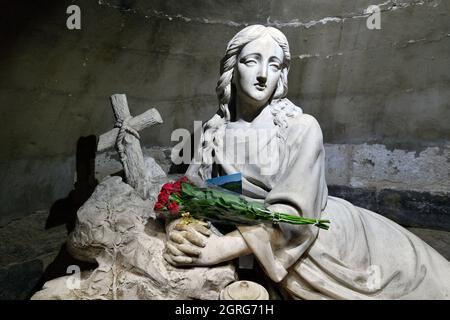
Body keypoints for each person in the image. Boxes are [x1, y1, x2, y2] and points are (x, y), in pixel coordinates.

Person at [163, 25, 450, 299]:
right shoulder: (213, 132)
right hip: (260, 249)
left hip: (320, 247)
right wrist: (180, 228)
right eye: (252, 61)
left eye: (274, 65)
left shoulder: (300, 127)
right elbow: (189, 193)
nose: (263, 74)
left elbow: (295, 218)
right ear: (232, 68)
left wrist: (218, 248)